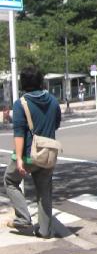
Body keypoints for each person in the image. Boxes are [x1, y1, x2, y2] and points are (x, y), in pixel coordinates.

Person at [3, 65, 61, 238]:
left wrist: (19, 159)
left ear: (23, 83)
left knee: (10, 180)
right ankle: (44, 231)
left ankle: (23, 218)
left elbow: (19, 133)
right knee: (44, 191)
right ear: (41, 81)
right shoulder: (53, 101)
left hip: (28, 155)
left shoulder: (21, 103)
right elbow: (56, 123)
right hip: (48, 154)